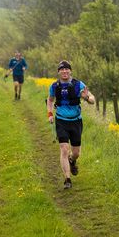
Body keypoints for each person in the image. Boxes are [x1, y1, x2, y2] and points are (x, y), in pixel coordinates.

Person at [47, 60, 95, 189]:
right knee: (64, 149)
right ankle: (67, 179)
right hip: (61, 121)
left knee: (76, 153)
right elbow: (50, 100)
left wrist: (86, 98)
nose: (64, 71)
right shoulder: (54, 86)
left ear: (70, 71)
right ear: (58, 72)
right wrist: (50, 114)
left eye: (67, 69)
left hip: (76, 121)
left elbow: (92, 100)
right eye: (62, 69)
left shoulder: (78, 84)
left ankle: (72, 161)